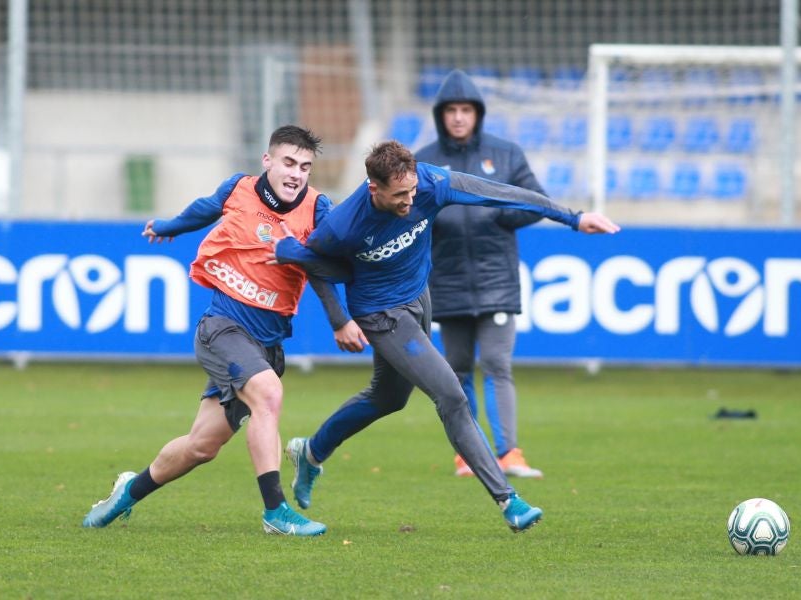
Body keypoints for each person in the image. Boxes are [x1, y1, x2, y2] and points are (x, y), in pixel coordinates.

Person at [273, 140, 619, 533]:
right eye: (399, 195)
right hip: (380, 314)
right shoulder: (343, 225)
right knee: (451, 394)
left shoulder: (431, 183)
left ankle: (311, 451)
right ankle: (509, 500)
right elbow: (315, 263)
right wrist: (338, 318)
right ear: (375, 189)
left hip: (419, 297)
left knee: (388, 397)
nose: (410, 200)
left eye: (412, 190)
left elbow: (501, 194)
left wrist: (572, 218)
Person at [81, 125, 367, 536]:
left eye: (305, 166)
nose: (296, 173)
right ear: (268, 161)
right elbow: (206, 207)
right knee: (268, 395)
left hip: (265, 343)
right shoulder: (239, 187)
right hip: (222, 330)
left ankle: (128, 490)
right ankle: (276, 512)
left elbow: (319, 268)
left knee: (202, 446)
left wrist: (339, 318)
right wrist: (169, 225)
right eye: (288, 162)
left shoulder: (318, 209)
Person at [415, 69, 545, 479]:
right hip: (447, 280)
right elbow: (408, 213)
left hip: (496, 279)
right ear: (441, 115)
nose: (458, 116)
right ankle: (470, 456)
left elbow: (536, 201)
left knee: (495, 362)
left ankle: (510, 454)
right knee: (456, 370)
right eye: (451, 110)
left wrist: (497, 213)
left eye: (465, 109)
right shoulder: (424, 160)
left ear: (477, 113)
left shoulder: (506, 154)